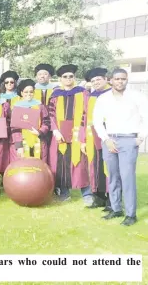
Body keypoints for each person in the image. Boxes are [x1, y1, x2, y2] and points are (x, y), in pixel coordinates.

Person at [93, 68, 148, 226]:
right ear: (110, 80)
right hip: (110, 140)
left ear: (127, 80)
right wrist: (106, 139)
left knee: (127, 177)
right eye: (117, 79)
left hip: (129, 140)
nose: (120, 82)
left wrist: (140, 137)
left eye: (123, 79)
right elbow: (97, 121)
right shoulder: (103, 99)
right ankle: (116, 208)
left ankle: (131, 214)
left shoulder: (137, 97)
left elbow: (147, 117)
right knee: (113, 176)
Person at [48, 64, 91, 203]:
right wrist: (55, 130)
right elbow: (51, 115)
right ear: (60, 78)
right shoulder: (55, 95)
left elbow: (87, 113)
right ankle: (64, 192)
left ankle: (87, 193)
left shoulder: (83, 93)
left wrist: (82, 133)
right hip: (59, 135)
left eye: (71, 76)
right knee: (61, 162)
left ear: (74, 77)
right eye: (65, 77)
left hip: (79, 133)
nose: (68, 79)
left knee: (81, 163)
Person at [82, 68, 112, 211]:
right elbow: (84, 118)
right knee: (95, 166)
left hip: (110, 133)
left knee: (110, 166)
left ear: (106, 79)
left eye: (98, 79)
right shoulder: (91, 96)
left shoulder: (113, 93)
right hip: (92, 135)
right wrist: (82, 140)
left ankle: (112, 200)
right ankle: (99, 198)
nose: (95, 82)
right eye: (93, 81)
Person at [10, 79, 50, 163]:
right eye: (26, 92)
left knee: (39, 167)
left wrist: (40, 132)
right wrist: (19, 145)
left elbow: (46, 121)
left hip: (38, 140)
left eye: (31, 92)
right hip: (22, 142)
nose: (29, 94)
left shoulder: (39, 105)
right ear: (21, 93)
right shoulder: (17, 107)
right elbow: (15, 128)